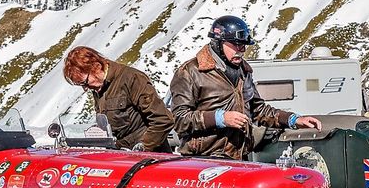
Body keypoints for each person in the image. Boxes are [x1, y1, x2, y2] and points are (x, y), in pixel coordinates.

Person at [169, 16, 322, 159]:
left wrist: (293, 119)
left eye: (243, 46)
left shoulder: (243, 71)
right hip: (203, 159)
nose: (241, 50)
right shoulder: (190, 72)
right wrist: (219, 118)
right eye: (236, 44)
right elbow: (180, 119)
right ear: (217, 42)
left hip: (240, 157)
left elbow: (258, 110)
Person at [63, 47, 174, 152]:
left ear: (96, 67)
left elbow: (163, 119)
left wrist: (143, 147)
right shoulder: (98, 87)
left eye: (85, 82)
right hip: (122, 157)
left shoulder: (132, 78)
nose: (85, 89)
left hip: (149, 159)